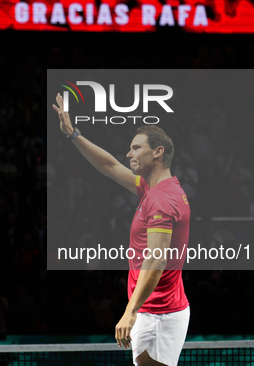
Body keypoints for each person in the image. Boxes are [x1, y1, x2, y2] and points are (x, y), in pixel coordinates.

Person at [53, 93, 190, 366]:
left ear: (158, 152)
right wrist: (73, 134)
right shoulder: (154, 189)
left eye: (136, 148)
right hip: (156, 310)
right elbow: (110, 166)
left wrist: (130, 311)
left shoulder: (161, 199)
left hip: (157, 313)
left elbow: (157, 259)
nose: (129, 154)